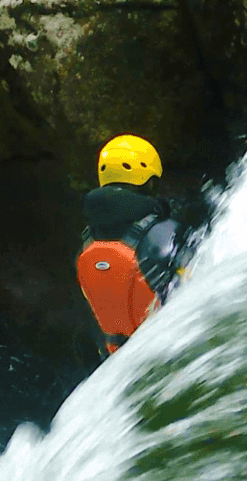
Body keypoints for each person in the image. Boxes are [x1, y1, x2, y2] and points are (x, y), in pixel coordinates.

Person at [76, 134, 188, 355]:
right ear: (148, 180)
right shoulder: (164, 232)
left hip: (124, 360)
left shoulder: (86, 245)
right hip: (174, 347)